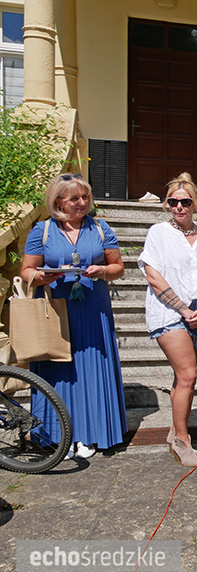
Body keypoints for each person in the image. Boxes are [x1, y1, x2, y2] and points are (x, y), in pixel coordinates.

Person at [21, 173, 126, 458]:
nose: (82, 203)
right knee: (59, 371)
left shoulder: (101, 228)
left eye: (85, 198)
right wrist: (44, 277)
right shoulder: (41, 231)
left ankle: (90, 435)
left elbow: (118, 266)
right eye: (74, 199)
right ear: (58, 201)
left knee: (91, 370)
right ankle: (58, 438)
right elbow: (27, 271)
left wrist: (102, 270)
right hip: (55, 310)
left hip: (93, 310)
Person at [138, 172, 197, 467]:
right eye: (173, 201)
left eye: (185, 201)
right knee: (188, 375)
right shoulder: (159, 233)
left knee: (181, 377)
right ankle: (182, 441)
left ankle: (176, 429)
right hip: (170, 314)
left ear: (195, 204)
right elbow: (153, 275)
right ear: (167, 204)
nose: (179, 206)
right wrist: (183, 310)